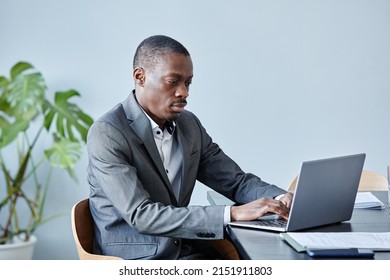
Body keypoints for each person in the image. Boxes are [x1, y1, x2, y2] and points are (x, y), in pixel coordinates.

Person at [86, 35, 293, 260]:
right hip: (137, 258)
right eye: (173, 81)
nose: (184, 92)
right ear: (140, 77)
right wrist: (231, 213)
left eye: (188, 83)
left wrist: (282, 198)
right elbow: (141, 215)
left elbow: (235, 181)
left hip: (185, 249)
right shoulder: (108, 133)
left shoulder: (189, 125)